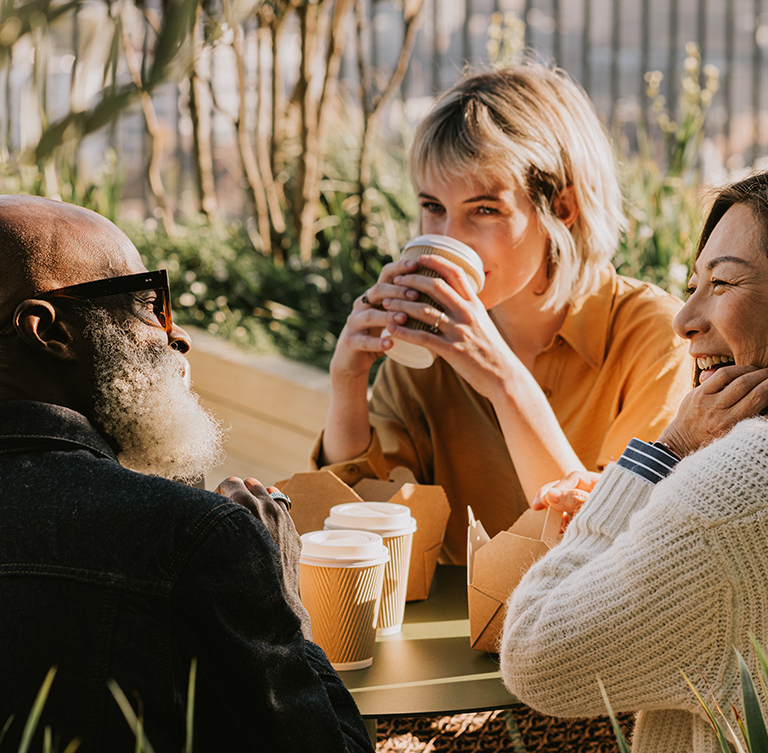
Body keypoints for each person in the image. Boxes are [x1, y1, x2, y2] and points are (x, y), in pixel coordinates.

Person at [0, 196, 373, 753]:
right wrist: (282, 597)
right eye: (150, 304)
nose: (179, 336)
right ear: (49, 332)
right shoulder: (199, 539)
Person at [314, 62, 691, 563]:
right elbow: (358, 540)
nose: (448, 237)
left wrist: (503, 380)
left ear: (562, 209)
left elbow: (611, 552)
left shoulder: (658, 338)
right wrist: (347, 383)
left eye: (484, 210)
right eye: (432, 206)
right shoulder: (426, 350)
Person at [500, 171, 768, 752]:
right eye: (693, 283)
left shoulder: (739, 491)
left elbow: (533, 653)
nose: (684, 320)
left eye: (722, 284)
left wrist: (664, 453)